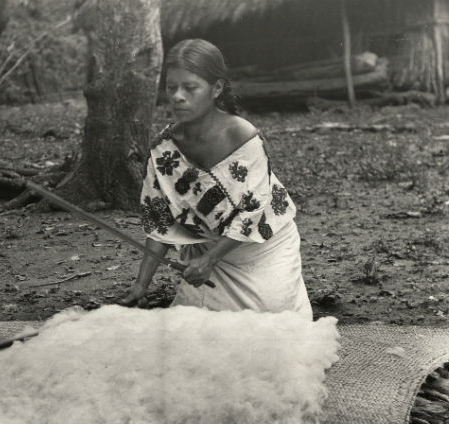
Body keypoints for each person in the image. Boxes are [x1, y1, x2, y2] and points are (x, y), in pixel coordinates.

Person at [120, 39, 312, 319]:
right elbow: (159, 219)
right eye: (171, 88)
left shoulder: (242, 136)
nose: (177, 96)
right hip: (207, 254)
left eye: (190, 87)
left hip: (261, 248)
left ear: (217, 89)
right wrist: (141, 284)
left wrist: (208, 260)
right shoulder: (164, 148)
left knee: (273, 326)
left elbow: (252, 213)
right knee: (195, 332)